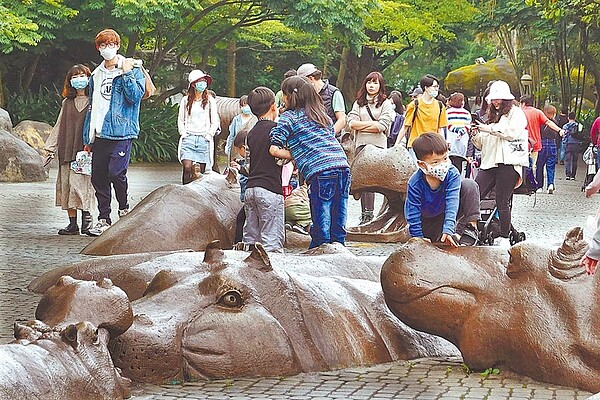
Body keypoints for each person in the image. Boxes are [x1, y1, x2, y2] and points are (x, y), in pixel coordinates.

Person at [270, 75, 350, 249]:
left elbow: (274, 149)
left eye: (284, 94)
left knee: (322, 213)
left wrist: (296, 154)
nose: (283, 99)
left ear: (291, 95)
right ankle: (339, 248)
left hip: (320, 171)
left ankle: (320, 249)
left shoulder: (288, 118)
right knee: (339, 211)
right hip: (342, 165)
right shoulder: (322, 115)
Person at [82, 28, 145, 236]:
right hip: (99, 133)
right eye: (102, 45)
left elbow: (135, 96)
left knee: (116, 172)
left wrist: (126, 72)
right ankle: (104, 218)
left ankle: (124, 206)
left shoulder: (132, 68)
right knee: (98, 177)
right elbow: (93, 105)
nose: (106, 49)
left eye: (110, 44)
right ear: (97, 48)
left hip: (121, 132)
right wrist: (87, 136)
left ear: (118, 46)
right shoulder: (96, 74)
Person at [471, 80, 529, 242]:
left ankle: (504, 234)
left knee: (502, 200)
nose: (495, 102)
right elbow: (484, 142)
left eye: (499, 99)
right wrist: (475, 133)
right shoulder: (492, 114)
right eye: (493, 99)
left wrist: (487, 128)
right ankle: (470, 226)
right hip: (490, 162)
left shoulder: (516, 113)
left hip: (508, 163)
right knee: (475, 193)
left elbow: (509, 133)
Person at [44, 64, 95, 235]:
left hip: (85, 152)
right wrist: (50, 148)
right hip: (67, 149)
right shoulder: (67, 103)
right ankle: (72, 224)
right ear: (69, 81)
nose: (79, 79)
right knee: (66, 185)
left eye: (82, 75)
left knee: (82, 185)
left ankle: (87, 221)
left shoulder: (93, 101)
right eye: (75, 76)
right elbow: (59, 126)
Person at [405, 132, 480, 246]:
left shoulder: (452, 173)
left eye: (445, 158)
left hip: (446, 213)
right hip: (427, 221)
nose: (442, 164)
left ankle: (470, 228)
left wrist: (448, 229)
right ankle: (448, 235)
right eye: (435, 162)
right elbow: (413, 213)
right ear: (422, 164)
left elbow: (452, 201)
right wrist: (418, 237)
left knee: (469, 185)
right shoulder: (415, 183)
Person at [347, 71, 395, 225]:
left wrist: (362, 126)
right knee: (364, 182)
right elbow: (351, 123)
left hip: (378, 148)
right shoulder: (358, 103)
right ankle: (365, 215)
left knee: (377, 181)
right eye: (369, 82)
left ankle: (378, 213)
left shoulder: (385, 103)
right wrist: (372, 125)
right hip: (361, 146)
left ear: (380, 85)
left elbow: (382, 126)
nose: (371, 85)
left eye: (375, 83)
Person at [241, 86, 284, 253]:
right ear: (273, 106)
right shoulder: (276, 130)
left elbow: (248, 165)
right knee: (271, 245)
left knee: (250, 241)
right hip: (270, 189)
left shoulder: (251, 133)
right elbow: (279, 160)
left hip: (251, 190)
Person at [177, 69, 219, 184]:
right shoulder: (185, 101)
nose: (202, 84)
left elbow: (214, 121)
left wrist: (209, 134)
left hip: (203, 138)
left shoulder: (210, 101)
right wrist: (183, 133)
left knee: (200, 172)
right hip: (189, 137)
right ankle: (184, 191)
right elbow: (181, 119)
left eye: (204, 81)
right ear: (193, 84)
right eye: (199, 81)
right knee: (187, 167)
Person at [394, 74, 448, 155]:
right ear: (426, 88)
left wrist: (443, 147)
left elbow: (440, 129)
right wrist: (396, 145)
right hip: (415, 146)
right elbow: (405, 126)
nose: (437, 89)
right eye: (434, 86)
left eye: (437, 86)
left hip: (433, 147)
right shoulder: (414, 105)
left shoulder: (440, 106)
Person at [296, 63, 347, 137]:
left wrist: (329, 135)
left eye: (302, 83)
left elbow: (342, 119)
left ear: (311, 78)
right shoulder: (304, 95)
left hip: (332, 141)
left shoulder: (334, 93)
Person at [519, 95, 564, 169]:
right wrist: (559, 130)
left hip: (520, 145)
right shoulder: (538, 112)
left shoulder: (519, 113)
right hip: (535, 145)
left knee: (521, 169)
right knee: (531, 168)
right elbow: (548, 122)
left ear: (523, 103)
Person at [229, 129, 250, 244]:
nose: (239, 153)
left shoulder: (250, 154)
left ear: (243, 147)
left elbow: (249, 169)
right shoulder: (250, 155)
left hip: (250, 196)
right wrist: (239, 162)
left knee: (241, 219)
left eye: (238, 150)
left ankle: (238, 243)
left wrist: (239, 168)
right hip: (248, 197)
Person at [535, 104, 561, 193]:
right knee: (551, 166)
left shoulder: (541, 123)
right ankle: (550, 184)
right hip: (552, 144)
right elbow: (557, 137)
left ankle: (539, 186)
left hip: (542, 144)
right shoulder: (555, 123)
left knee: (539, 166)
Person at [445, 92, 473, 175]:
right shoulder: (467, 113)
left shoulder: (447, 112)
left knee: (449, 162)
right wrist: (461, 132)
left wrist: (456, 130)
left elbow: (447, 125)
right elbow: (468, 126)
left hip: (450, 139)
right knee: (459, 163)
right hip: (462, 140)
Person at [224, 95, 257, 160]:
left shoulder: (255, 119)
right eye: (244, 105)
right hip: (237, 150)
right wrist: (228, 147)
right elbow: (232, 135)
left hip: (250, 150)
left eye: (248, 105)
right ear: (240, 106)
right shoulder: (236, 119)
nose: (246, 107)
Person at [562, 112, 580, 180]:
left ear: (568, 117)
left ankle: (568, 174)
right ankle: (573, 175)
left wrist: (564, 143)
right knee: (575, 161)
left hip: (568, 144)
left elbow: (564, 136)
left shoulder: (565, 126)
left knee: (568, 160)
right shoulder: (578, 125)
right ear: (575, 117)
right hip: (576, 144)